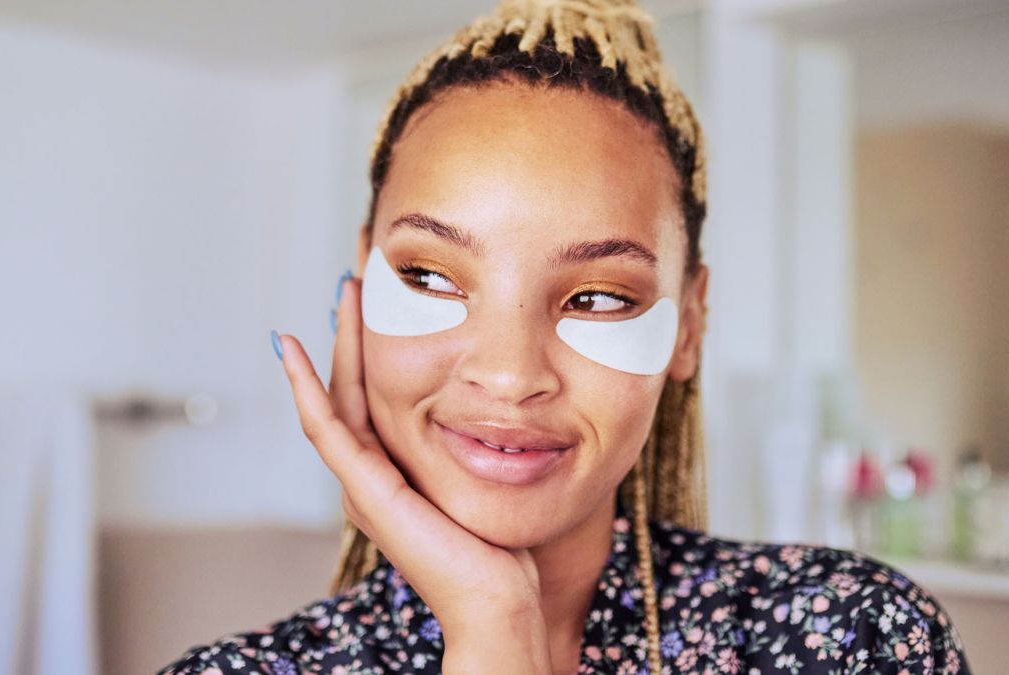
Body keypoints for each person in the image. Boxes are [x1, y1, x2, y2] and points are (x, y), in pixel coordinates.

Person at [159, 0, 971, 672]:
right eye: (432, 278)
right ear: (362, 279)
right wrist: (488, 625)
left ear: (688, 324)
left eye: (597, 295)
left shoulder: (859, 638)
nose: (509, 376)